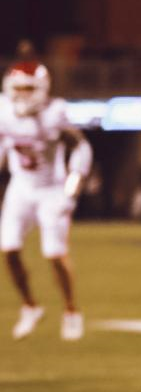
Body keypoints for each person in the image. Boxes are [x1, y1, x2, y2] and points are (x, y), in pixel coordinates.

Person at [0, 60, 90, 341]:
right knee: (8, 249)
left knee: (54, 253)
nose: (22, 94)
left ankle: (71, 311)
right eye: (18, 88)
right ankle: (30, 306)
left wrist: (72, 188)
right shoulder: (3, 111)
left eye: (29, 88)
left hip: (51, 189)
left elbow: (81, 147)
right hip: (21, 187)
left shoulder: (55, 113)